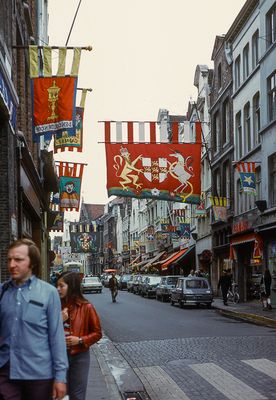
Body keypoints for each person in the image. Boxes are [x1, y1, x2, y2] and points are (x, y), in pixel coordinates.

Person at [0, 238, 68, 400]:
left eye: (18, 260)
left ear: (32, 263)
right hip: (6, 373)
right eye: (9, 259)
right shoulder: (3, 291)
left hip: (38, 374)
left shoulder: (48, 293)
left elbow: (56, 337)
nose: (12, 265)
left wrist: (60, 377)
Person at [57, 272, 102, 400]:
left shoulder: (86, 307)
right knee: (59, 394)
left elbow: (97, 333)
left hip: (79, 356)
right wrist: (58, 320)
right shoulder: (54, 306)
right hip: (58, 356)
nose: (58, 289)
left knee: (77, 395)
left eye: (61, 286)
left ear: (71, 286)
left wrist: (80, 340)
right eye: (57, 286)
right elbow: (43, 331)